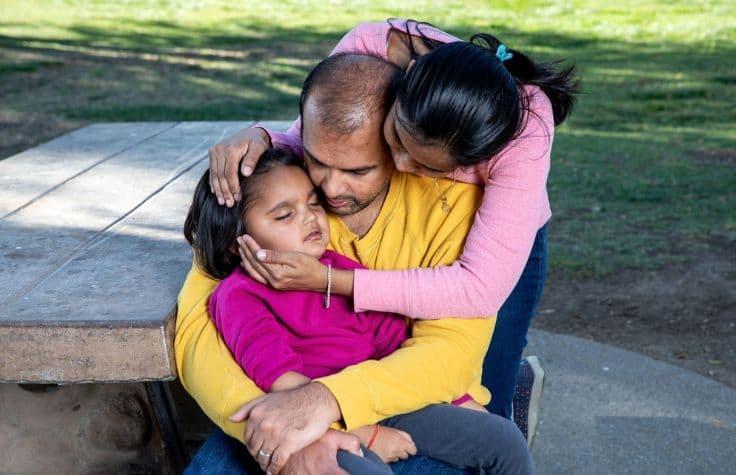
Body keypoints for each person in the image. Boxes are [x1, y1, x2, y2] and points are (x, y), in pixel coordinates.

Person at [209, 19, 578, 428]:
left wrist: (333, 281)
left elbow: (478, 290)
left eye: (423, 164)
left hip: (498, 247)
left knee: (491, 381)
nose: (400, 166)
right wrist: (262, 139)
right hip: (402, 227)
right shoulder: (373, 47)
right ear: (405, 89)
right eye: (396, 142)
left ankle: (514, 401)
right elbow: (325, 138)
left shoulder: (524, 134)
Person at [178, 53, 531, 474]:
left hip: (394, 394)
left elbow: (442, 347)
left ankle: (514, 385)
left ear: (400, 145)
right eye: (317, 162)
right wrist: (301, 434)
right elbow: (197, 333)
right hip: (283, 406)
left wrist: (328, 404)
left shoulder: (451, 204)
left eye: (357, 170)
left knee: (498, 438)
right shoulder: (272, 191)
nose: (328, 188)